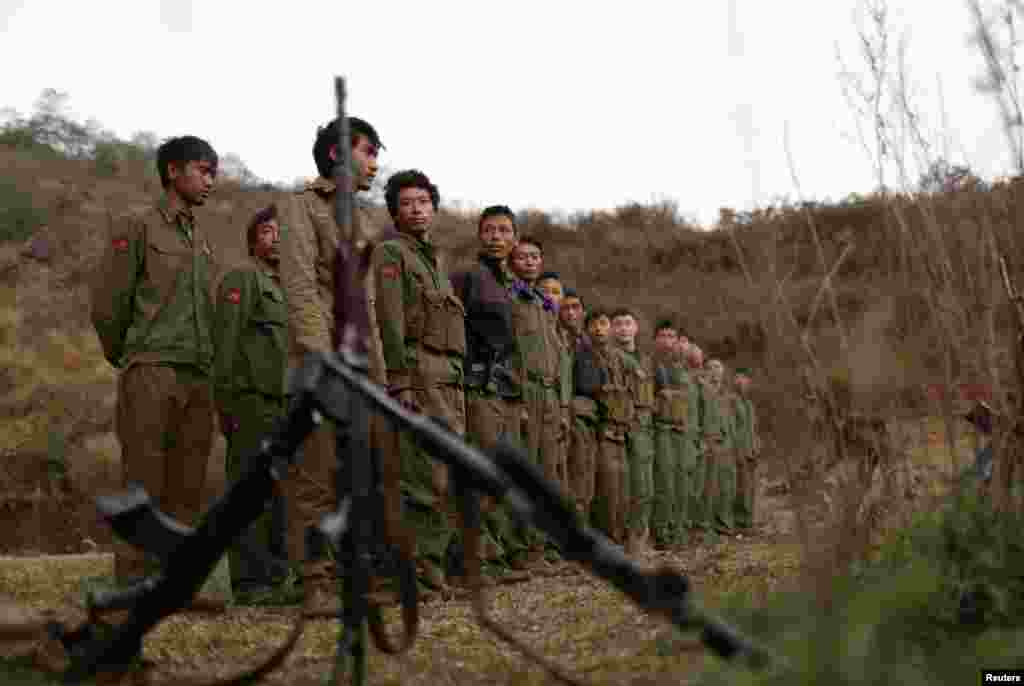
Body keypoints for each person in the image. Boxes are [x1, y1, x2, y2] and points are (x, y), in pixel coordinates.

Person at [90, 135, 230, 605]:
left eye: (214, 172)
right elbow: (109, 305)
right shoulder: (137, 226)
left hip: (199, 372)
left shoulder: (203, 237)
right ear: (173, 171)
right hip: (151, 368)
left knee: (188, 483)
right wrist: (131, 356)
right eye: (203, 170)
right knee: (143, 478)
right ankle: (134, 582)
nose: (211, 179)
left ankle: (177, 584)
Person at [277, 115, 386, 613]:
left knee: (359, 472)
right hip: (321, 360)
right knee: (316, 473)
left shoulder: (365, 219)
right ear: (339, 154)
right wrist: (322, 359)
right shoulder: (300, 207)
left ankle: (355, 576)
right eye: (368, 152)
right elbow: (299, 285)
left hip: (363, 363)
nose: (375, 163)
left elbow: (367, 303)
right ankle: (316, 583)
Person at [372, 169, 466, 594]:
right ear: (395, 212)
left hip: (449, 375)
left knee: (446, 470)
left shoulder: (436, 261)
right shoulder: (392, 254)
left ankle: (433, 562)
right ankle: (419, 568)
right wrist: (400, 380)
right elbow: (390, 322)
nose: (417, 209)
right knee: (423, 474)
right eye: (407, 203)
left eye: (424, 202)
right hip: (419, 371)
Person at [212, 204, 290, 595]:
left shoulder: (288, 288)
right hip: (250, 401)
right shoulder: (242, 278)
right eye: (267, 231)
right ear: (252, 240)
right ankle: (249, 580)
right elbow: (224, 346)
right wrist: (225, 404)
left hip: (283, 404)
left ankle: (276, 576)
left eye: (282, 232)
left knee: (280, 492)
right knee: (248, 492)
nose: (277, 238)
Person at [449, 205, 524, 580]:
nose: (497, 237)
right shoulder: (468, 277)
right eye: (490, 230)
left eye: (505, 230)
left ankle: (491, 554)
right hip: (476, 385)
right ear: (480, 235)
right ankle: (473, 561)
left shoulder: (508, 284)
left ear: (515, 238)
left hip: (503, 389)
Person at [508, 238, 571, 567]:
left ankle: (541, 545)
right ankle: (522, 548)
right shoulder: (511, 296)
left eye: (535, 257)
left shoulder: (544, 305)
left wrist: (561, 408)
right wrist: (516, 396)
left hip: (549, 395)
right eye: (523, 257)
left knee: (548, 473)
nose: (530, 262)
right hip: (526, 391)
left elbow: (556, 363)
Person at [583, 308, 632, 544]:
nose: (599, 328)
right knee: (606, 487)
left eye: (603, 323)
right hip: (599, 429)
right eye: (594, 324)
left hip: (619, 430)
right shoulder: (586, 353)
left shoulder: (616, 358)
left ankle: (618, 537)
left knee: (622, 487)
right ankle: (605, 539)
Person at [611, 308, 656, 555]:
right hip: (629, 423)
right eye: (618, 324)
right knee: (635, 484)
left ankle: (643, 537)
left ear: (636, 328)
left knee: (647, 484)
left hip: (647, 423)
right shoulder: (613, 356)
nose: (623, 328)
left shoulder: (645, 358)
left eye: (628, 323)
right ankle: (632, 541)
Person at [650, 319, 698, 548]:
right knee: (664, 480)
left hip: (681, 428)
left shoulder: (681, 367)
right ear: (655, 339)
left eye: (672, 336)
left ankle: (679, 530)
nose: (668, 341)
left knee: (681, 480)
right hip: (660, 428)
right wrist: (660, 398)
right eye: (663, 336)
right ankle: (662, 532)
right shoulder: (649, 363)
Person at [702, 359, 736, 533]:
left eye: (718, 367)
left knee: (726, 484)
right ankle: (707, 524)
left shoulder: (726, 394)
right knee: (709, 484)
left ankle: (724, 522)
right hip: (710, 441)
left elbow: (729, 419)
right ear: (706, 371)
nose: (716, 371)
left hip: (726, 443)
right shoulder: (704, 391)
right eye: (712, 368)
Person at [731, 367, 759, 529]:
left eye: (745, 379)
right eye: (739, 378)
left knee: (750, 486)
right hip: (738, 449)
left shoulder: (749, 404)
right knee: (739, 486)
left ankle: (748, 519)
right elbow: (731, 427)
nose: (742, 382)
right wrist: (735, 449)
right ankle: (739, 521)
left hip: (751, 450)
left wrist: (755, 446)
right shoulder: (732, 401)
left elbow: (753, 428)